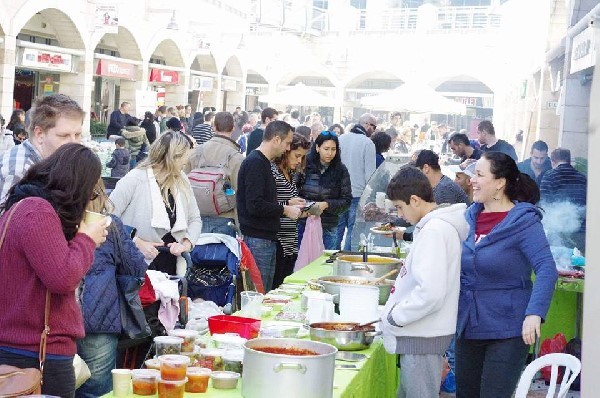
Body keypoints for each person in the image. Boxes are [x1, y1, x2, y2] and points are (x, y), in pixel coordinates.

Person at [0, 143, 108, 398]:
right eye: (90, 193)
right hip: (37, 351)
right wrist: (87, 239)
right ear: (77, 187)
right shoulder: (37, 211)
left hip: (18, 346)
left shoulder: (20, 208)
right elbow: (63, 277)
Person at [455, 152, 558, 398]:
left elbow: (546, 268)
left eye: (479, 175)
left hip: (508, 329)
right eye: (473, 175)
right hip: (468, 324)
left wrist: (534, 313)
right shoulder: (469, 217)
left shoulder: (524, 221)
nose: (472, 181)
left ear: (500, 182)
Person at [381, 166, 468, 398]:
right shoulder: (433, 227)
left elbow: (431, 292)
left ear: (415, 200)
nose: (400, 214)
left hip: (423, 335)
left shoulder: (435, 230)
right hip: (422, 333)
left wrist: (396, 316)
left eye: (400, 207)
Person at [76, 179, 147, 398]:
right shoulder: (110, 225)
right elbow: (136, 267)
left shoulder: (53, 221)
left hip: (58, 321)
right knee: (97, 390)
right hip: (98, 321)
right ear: (97, 194)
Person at [110, 131, 201, 277]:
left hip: (171, 266)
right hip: (136, 266)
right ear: (174, 157)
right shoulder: (134, 179)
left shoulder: (182, 179)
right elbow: (107, 219)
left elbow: (195, 219)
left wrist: (185, 244)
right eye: (185, 156)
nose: (187, 161)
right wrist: (136, 242)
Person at [237, 120, 302, 291]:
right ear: (276, 139)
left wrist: (286, 203)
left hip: (266, 238)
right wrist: (284, 209)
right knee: (259, 293)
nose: (288, 148)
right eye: (287, 143)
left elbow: (262, 200)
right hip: (258, 239)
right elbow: (255, 205)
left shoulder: (264, 162)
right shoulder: (255, 163)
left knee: (265, 291)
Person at [0, 94, 84, 200]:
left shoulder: (49, 162)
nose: (74, 142)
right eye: (64, 135)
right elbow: (8, 216)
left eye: (77, 135)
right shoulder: (19, 171)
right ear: (39, 134)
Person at [187, 112, 244, 237]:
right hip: (225, 218)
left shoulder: (196, 152)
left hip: (195, 217)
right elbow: (239, 194)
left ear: (213, 127)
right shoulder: (236, 157)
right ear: (233, 128)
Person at [298, 131, 352, 250]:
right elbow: (294, 192)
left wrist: (326, 204)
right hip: (303, 223)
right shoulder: (304, 165)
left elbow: (346, 200)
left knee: (325, 264)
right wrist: (308, 205)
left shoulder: (341, 170)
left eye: (333, 149)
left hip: (329, 225)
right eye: (326, 149)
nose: (330, 153)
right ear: (317, 148)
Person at [271, 133, 311, 289]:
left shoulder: (293, 174)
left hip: (291, 240)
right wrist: (288, 203)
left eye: (302, 157)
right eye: (297, 155)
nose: (299, 160)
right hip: (277, 239)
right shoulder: (273, 172)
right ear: (286, 151)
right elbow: (267, 205)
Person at [336, 113, 377, 251]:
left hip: (338, 193)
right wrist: (370, 198)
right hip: (357, 194)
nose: (374, 130)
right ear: (367, 125)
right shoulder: (368, 143)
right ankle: (346, 260)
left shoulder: (340, 139)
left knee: (337, 230)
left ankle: (331, 260)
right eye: (374, 127)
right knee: (353, 232)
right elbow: (370, 174)